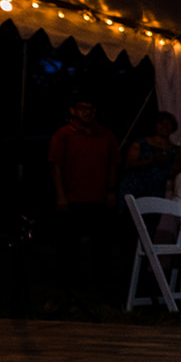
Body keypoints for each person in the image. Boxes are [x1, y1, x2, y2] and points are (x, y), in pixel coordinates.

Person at [49, 95, 120, 283]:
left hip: (99, 197)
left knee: (101, 243)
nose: (87, 112)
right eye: (83, 108)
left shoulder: (106, 134)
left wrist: (111, 191)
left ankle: (100, 281)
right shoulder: (64, 134)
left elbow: (113, 164)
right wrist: (60, 195)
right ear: (73, 110)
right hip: (72, 197)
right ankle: (68, 282)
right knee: (68, 244)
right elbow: (55, 165)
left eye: (91, 108)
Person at [119, 111, 179, 203]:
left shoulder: (177, 150)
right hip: (135, 189)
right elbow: (129, 165)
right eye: (161, 123)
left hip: (158, 192)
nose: (164, 127)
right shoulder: (140, 144)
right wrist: (152, 160)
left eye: (168, 124)